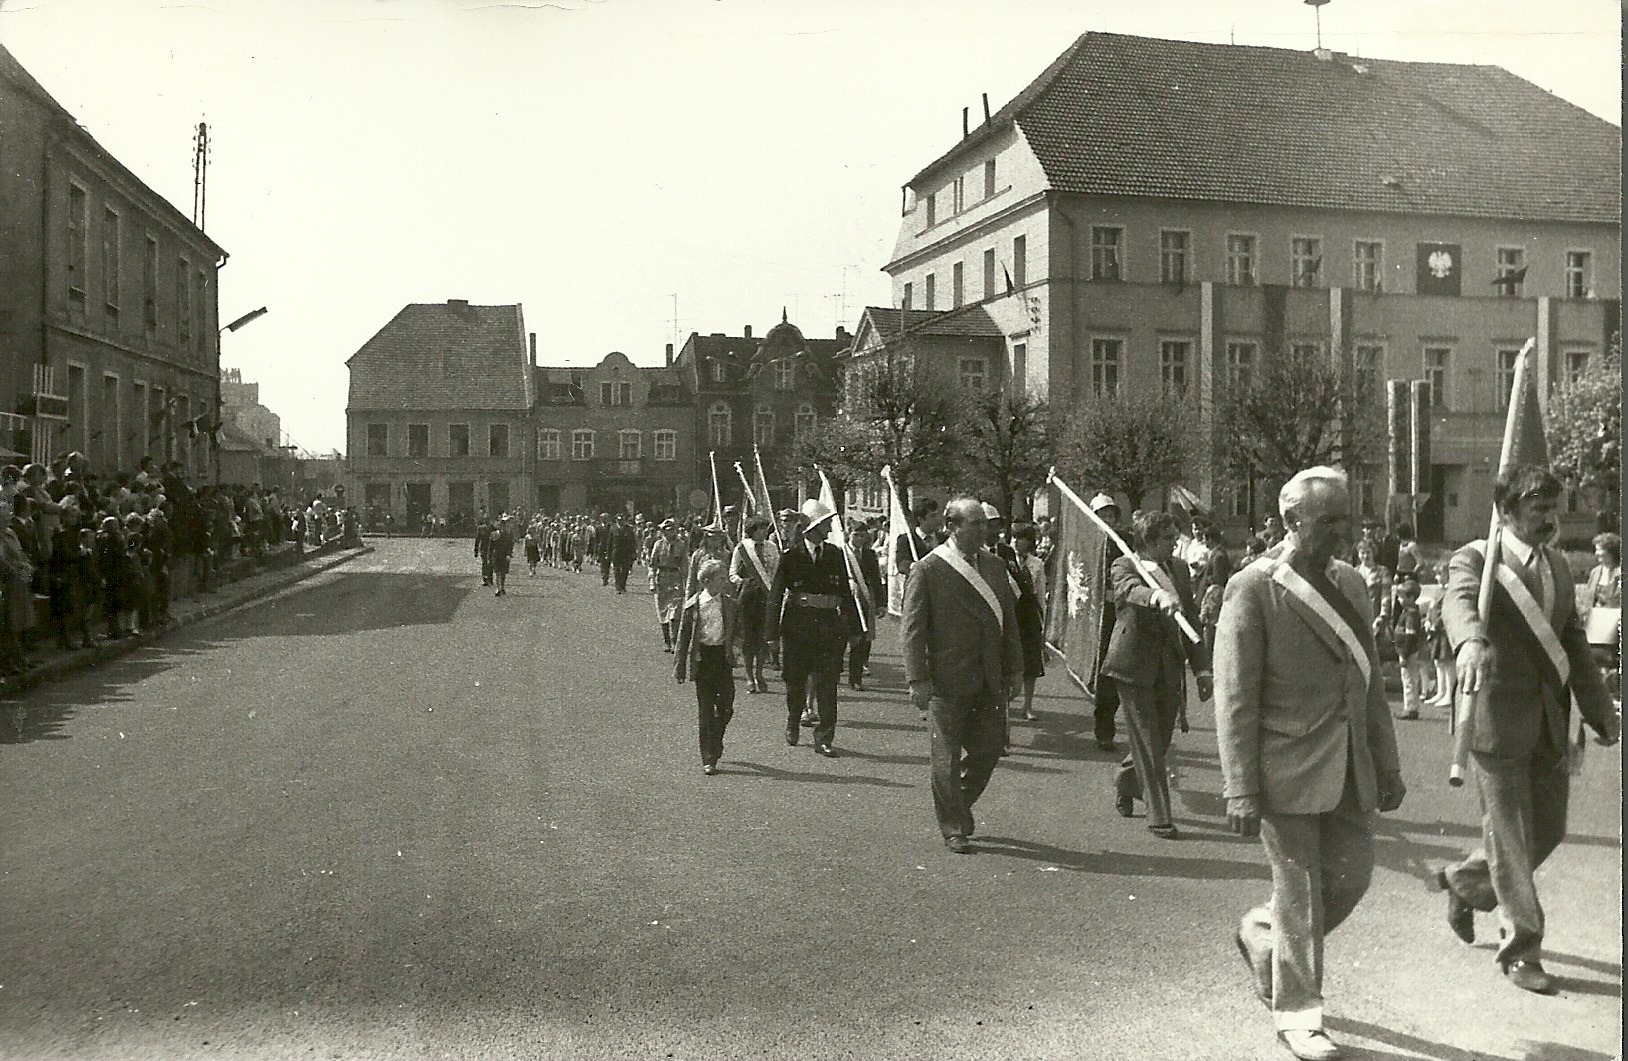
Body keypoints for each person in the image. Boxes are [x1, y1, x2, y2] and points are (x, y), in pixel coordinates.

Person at [1217, 466, 1405, 1061]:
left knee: (1352, 878)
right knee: (1300, 892)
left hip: (1350, 764)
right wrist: (1240, 788)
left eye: (1347, 518)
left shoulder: (1350, 583)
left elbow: (1370, 683)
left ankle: (1263, 937)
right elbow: (1236, 696)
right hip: (1284, 766)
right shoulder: (1252, 588)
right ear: (1292, 520)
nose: (1343, 532)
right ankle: (1298, 1015)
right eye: (1329, 521)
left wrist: (1389, 763)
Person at [1435, 464, 1619, 995]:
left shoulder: (1560, 567)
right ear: (1507, 512)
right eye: (1537, 509)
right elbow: (1458, 600)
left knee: (1550, 830)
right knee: (1511, 838)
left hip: (1548, 721)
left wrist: (1600, 709)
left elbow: (1574, 646)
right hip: (1494, 722)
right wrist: (1470, 640)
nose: (1549, 518)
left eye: (1553, 508)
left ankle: (1466, 882)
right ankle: (1520, 948)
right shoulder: (1477, 558)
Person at [901, 497, 1023, 853]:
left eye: (985, 524)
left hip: (989, 676)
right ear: (952, 526)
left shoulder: (996, 566)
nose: (984, 530)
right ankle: (952, 825)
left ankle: (960, 802)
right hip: (947, 677)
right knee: (946, 756)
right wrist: (916, 679)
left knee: (989, 749)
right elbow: (912, 629)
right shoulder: (928, 569)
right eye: (976, 525)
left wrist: (1015, 668)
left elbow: (1009, 621)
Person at [1103, 510, 1212, 837]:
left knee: (1160, 739)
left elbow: (1191, 617)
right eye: (1167, 539)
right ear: (1148, 541)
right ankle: (1159, 815)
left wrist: (1202, 669)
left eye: (1175, 537)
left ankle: (1125, 780)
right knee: (1148, 740)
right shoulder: (1125, 565)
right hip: (1132, 665)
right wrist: (1155, 596)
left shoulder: (1178, 568)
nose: (1174, 544)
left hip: (1169, 667)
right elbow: (1128, 591)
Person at [766, 498, 858, 758]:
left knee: (828, 684)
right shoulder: (791, 557)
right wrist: (771, 634)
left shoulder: (835, 555)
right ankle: (793, 720)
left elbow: (845, 594)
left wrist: (854, 629)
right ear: (814, 528)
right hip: (798, 627)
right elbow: (775, 595)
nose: (830, 528)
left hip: (829, 628)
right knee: (795, 682)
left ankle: (825, 737)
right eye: (826, 523)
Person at [674, 557, 739, 776]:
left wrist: (736, 649)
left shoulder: (729, 603)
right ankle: (708, 757)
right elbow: (683, 638)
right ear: (707, 581)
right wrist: (679, 666)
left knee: (727, 706)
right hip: (703, 659)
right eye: (720, 578)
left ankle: (716, 739)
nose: (724, 582)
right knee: (705, 711)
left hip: (722, 658)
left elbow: (737, 631)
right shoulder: (693, 605)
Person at [1087, 492, 1124, 751]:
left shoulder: (1124, 543)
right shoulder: (1088, 546)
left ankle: (1109, 724)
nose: (1108, 519)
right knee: (1103, 673)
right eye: (1104, 515)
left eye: (1111, 515)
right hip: (1098, 615)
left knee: (1121, 669)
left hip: (1121, 612)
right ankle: (1104, 727)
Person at [730, 517, 779, 693]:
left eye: (765, 529)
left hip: (766, 598)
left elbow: (776, 571)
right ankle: (750, 676)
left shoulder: (772, 548)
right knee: (748, 639)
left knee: (763, 638)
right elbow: (732, 574)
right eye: (760, 529)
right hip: (747, 599)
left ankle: (760, 673)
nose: (764, 532)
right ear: (752, 530)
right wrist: (744, 583)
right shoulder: (742, 548)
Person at [1009, 523, 1048, 723]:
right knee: (1009, 657)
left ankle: (1028, 705)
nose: (1016, 542)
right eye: (1014, 538)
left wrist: (1042, 619)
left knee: (1030, 661)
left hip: (1029, 612)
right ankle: (1006, 705)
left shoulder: (1037, 564)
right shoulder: (1005, 561)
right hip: (1012, 611)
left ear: (1030, 542)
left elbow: (1040, 593)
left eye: (1021, 538)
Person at [846, 520, 883, 691]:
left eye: (862, 535)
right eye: (855, 535)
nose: (859, 539)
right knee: (846, 638)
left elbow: (876, 579)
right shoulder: (842, 553)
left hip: (865, 599)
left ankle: (856, 677)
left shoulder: (870, 554)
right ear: (849, 533)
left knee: (863, 637)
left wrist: (881, 604)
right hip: (846, 600)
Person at [1389, 572, 1427, 719]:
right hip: (1405, 651)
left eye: (1401, 597)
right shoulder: (1408, 612)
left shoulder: (1410, 614)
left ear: (1411, 598)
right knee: (1409, 678)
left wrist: (1404, 654)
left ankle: (1410, 708)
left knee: (1408, 679)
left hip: (1408, 651)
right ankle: (1410, 706)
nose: (1399, 599)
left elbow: (1410, 636)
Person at [649, 519, 686, 650]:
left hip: (675, 578)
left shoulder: (681, 545)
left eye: (672, 529)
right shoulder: (658, 545)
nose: (670, 532)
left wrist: (686, 584)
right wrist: (652, 582)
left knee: (676, 612)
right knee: (663, 610)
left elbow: (685, 566)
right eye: (667, 530)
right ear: (663, 531)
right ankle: (667, 641)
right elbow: (652, 565)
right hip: (662, 579)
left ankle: (675, 641)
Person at [894, 496, 940, 581]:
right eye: (932, 516)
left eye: (937, 515)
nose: (937, 519)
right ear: (921, 519)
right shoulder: (906, 539)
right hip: (919, 587)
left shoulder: (944, 539)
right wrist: (917, 567)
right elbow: (902, 564)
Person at [608, 513, 637, 593]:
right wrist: (608, 553)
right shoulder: (613, 529)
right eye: (618, 520)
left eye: (621, 520)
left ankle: (622, 585)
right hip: (616, 552)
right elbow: (610, 542)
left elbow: (632, 542)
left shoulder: (629, 529)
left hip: (626, 553)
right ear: (616, 520)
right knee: (616, 570)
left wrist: (633, 552)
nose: (620, 522)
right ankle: (618, 587)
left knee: (625, 570)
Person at [490, 515, 515, 596]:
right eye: (500, 525)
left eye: (503, 525)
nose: (502, 527)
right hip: (496, 555)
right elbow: (491, 546)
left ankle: (502, 587)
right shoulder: (494, 534)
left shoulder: (507, 534)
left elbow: (510, 545)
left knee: (503, 573)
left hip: (504, 555)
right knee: (497, 572)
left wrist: (509, 554)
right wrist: (489, 557)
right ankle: (498, 588)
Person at [474, 515, 494, 586]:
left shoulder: (492, 528)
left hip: (491, 548)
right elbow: (477, 539)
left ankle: (490, 578)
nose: (486, 521)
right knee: (484, 563)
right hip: (483, 548)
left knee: (490, 563)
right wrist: (475, 550)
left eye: (487, 519)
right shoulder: (480, 528)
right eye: (485, 519)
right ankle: (485, 579)